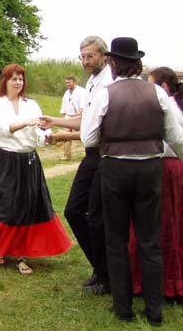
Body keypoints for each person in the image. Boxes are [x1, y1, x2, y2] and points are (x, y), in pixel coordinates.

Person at [81, 38, 183, 326]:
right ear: (137, 63)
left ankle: (123, 308)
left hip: (115, 169)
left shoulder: (106, 95)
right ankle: (155, 311)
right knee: (150, 241)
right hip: (150, 169)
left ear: (113, 63)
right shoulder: (158, 95)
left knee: (117, 240)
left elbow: (87, 138)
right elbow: (176, 137)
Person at [0, 63, 72, 275]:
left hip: (29, 161)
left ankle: (20, 255)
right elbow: (4, 128)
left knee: (28, 206)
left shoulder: (31, 104)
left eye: (21, 78)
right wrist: (27, 122)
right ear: (5, 81)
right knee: (6, 205)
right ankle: (1, 246)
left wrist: (47, 138)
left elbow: (37, 133)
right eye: (14, 78)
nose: (18, 82)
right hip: (6, 161)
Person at [40, 36, 113, 294]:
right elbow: (85, 119)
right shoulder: (92, 83)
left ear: (104, 56)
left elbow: (99, 124)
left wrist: (62, 131)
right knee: (73, 210)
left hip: (105, 156)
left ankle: (106, 275)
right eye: (82, 56)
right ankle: (101, 268)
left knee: (96, 217)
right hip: (90, 156)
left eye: (90, 56)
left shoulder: (109, 82)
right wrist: (56, 121)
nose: (85, 61)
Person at [128, 66, 183, 303]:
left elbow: (176, 140)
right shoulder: (169, 104)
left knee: (162, 226)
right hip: (166, 167)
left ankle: (163, 281)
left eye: (150, 84)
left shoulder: (166, 104)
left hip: (166, 167)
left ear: (163, 87)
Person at [58, 76, 85, 160]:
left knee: (83, 136)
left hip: (80, 117)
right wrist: (64, 117)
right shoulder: (66, 93)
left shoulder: (82, 92)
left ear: (74, 82)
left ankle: (87, 153)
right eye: (66, 83)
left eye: (69, 82)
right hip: (68, 117)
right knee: (66, 136)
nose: (67, 84)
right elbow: (64, 106)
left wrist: (81, 113)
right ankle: (66, 155)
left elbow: (84, 105)